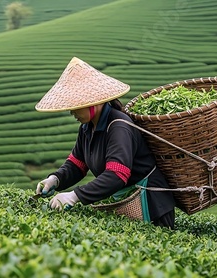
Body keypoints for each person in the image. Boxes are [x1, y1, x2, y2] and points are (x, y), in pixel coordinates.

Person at [34, 57, 176, 229]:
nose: (71, 111)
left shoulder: (118, 127)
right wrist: (55, 179)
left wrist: (74, 196)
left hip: (152, 207)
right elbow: (76, 164)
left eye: (75, 106)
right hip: (127, 202)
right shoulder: (87, 129)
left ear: (93, 102)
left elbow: (117, 175)